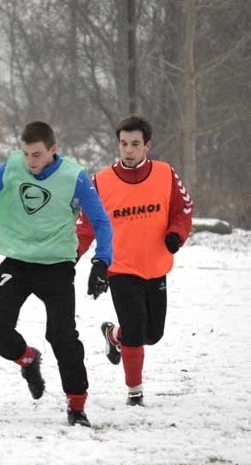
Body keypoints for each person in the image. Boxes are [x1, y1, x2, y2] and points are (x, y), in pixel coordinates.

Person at [0, 120, 113, 427]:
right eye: (26, 154)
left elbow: (101, 221)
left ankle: (76, 407)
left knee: (62, 337)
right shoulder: (12, 167)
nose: (30, 161)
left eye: (36, 154)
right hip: (18, 261)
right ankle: (28, 360)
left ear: (53, 150)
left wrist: (102, 261)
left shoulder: (73, 176)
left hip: (57, 264)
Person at [76, 114, 193, 407]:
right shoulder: (101, 182)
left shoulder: (165, 173)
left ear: (147, 146)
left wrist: (175, 235)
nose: (128, 150)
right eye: (123, 143)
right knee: (137, 326)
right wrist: (71, 259)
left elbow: (183, 211)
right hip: (120, 267)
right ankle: (135, 391)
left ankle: (113, 334)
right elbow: (86, 226)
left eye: (135, 144)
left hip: (156, 266)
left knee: (152, 334)